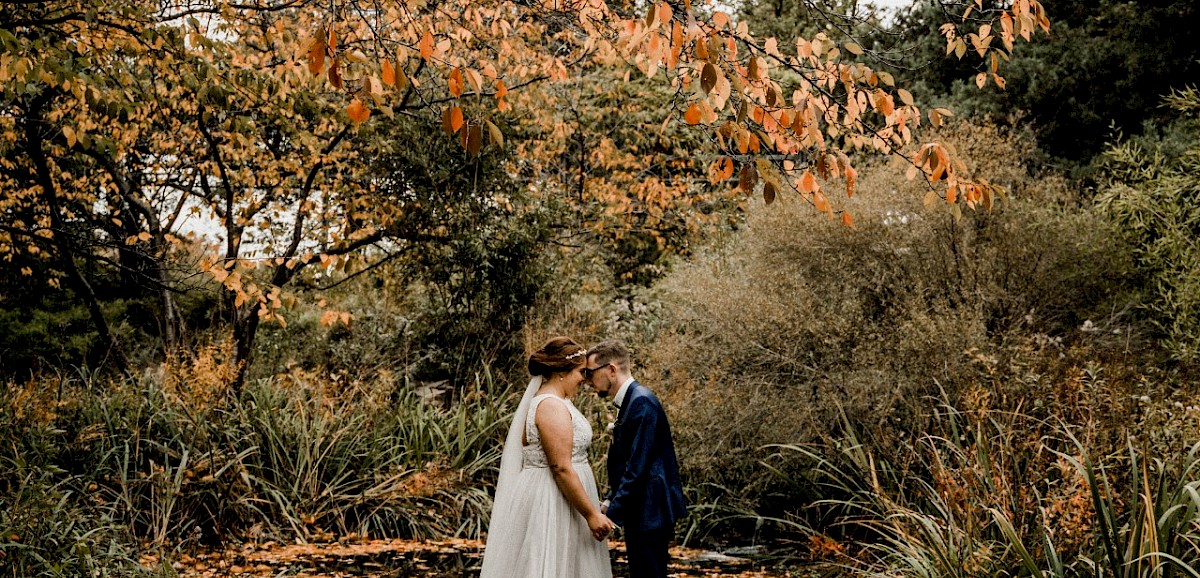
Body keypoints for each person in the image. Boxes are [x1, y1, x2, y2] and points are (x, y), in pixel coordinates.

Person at [479, 336, 615, 578]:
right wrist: (592, 514)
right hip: (552, 499)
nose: (584, 379)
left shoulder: (559, 402)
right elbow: (561, 467)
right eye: (581, 372)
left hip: (565, 498)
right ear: (562, 371)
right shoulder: (551, 406)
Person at [585, 340, 686, 578]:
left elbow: (638, 467)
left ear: (611, 369)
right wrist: (610, 501)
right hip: (642, 508)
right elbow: (627, 462)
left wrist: (609, 516)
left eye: (591, 373)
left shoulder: (641, 401)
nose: (588, 381)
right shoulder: (632, 400)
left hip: (650, 509)